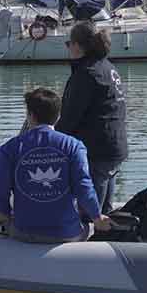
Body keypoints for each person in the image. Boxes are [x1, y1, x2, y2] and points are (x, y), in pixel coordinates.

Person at [0, 87, 109, 243]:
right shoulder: (74, 146)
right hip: (67, 234)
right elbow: (84, 187)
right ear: (58, 116)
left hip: (23, 232)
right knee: (89, 225)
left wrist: (3, 212)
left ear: (30, 116)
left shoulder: (9, 148)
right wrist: (97, 217)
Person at [54, 21, 128, 215]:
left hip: (97, 150)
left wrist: (52, 140)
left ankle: (92, 233)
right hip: (114, 144)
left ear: (77, 46)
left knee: (91, 212)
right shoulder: (108, 67)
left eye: (68, 43)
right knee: (105, 205)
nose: (68, 47)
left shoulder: (86, 74)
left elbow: (70, 117)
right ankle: (107, 231)